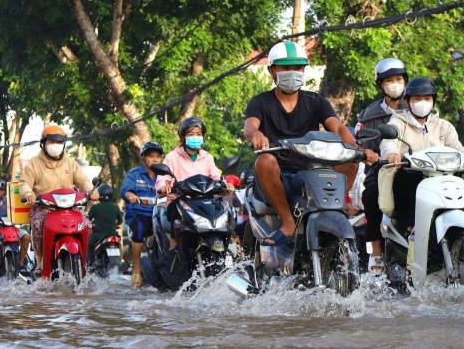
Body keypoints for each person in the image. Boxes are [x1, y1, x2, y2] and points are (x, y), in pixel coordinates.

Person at [244, 41, 375, 246]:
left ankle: (334, 209)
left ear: (304, 70)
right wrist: (256, 136)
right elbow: (249, 127)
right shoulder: (260, 102)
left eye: (297, 67)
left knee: (351, 160)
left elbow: (339, 129)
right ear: (272, 71)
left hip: (312, 173)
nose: (292, 72)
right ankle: (288, 223)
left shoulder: (316, 101)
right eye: (285, 68)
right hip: (279, 176)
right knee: (265, 160)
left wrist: (358, 149)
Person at [380, 78, 464, 222]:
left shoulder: (444, 126)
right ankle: (411, 226)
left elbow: (457, 148)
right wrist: (391, 154)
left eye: (427, 98)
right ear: (407, 101)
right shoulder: (398, 122)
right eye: (417, 98)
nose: (422, 102)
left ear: (433, 101)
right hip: (411, 176)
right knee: (406, 179)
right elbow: (388, 141)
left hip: (442, 177)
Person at [155, 117, 236, 265]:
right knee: (176, 209)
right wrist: (163, 187)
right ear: (182, 137)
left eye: (198, 134)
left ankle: (229, 241)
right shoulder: (172, 157)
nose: (195, 137)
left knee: (222, 208)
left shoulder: (207, 157)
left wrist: (226, 185)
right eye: (191, 134)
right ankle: (174, 244)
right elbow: (162, 178)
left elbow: (216, 178)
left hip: (205, 202)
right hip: (181, 200)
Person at [19, 125, 98, 271]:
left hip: (69, 208)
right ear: (44, 143)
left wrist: (91, 191)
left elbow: (82, 180)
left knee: (87, 225)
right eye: (52, 142)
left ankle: (84, 260)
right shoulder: (34, 163)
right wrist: (28, 194)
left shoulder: (70, 162)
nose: (56, 145)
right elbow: (24, 183)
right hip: (44, 207)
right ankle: (40, 261)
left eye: (59, 142)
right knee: (38, 224)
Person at [357, 58, 409, 274]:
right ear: (380, 85)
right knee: (371, 195)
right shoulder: (370, 115)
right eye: (389, 80)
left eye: (399, 79)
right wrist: (369, 155)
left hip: (416, 169)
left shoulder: (418, 107)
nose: (395, 84)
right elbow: (362, 145)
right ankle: (376, 251)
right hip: (383, 170)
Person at [121, 141, 163, 287]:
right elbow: (125, 190)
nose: (155, 159)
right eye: (151, 156)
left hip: (160, 214)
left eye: (158, 156)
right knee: (139, 228)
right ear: (143, 157)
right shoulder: (134, 174)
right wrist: (130, 195)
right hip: (140, 214)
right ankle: (137, 267)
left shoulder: (164, 174)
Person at [0, 178, 31, 277]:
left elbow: (17, 210)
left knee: (26, 236)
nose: (0, 192)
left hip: (9, 227)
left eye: (2, 190)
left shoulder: (9, 200)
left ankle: (20, 264)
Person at [87, 184, 124, 265]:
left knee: (89, 245)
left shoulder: (95, 207)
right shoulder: (115, 207)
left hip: (98, 236)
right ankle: (119, 263)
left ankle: (89, 264)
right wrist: (115, 224)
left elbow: (87, 220)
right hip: (112, 234)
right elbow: (120, 220)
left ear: (99, 195)